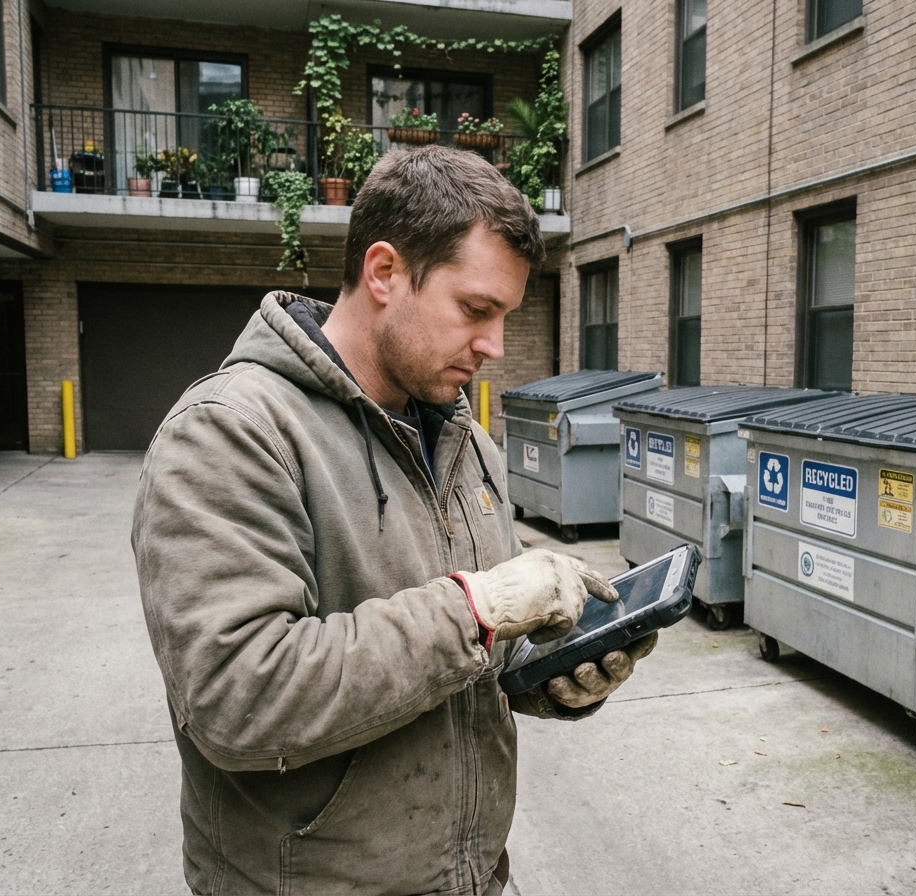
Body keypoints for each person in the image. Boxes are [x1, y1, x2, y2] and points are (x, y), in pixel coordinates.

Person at [131, 145, 657, 895]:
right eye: (476, 310)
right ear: (383, 273)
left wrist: (557, 675)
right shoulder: (229, 433)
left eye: (505, 317)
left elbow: (481, 661)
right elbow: (237, 699)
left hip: (468, 877)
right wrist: (477, 607)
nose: (495, 347)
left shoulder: (465, 444)